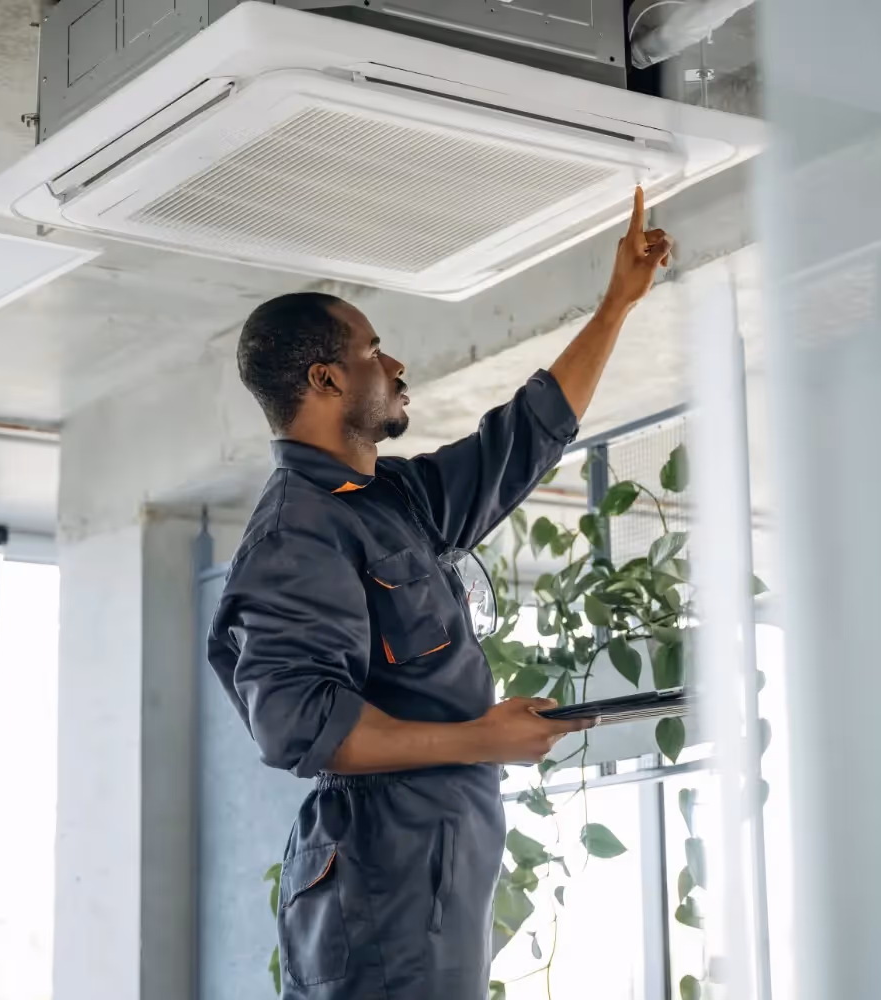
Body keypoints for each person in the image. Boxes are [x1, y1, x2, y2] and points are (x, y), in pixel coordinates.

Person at [207, 189, 674, 999]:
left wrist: (616, 305)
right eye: (372, 352)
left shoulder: (389, 500)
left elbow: (521, 438)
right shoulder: (296, 534)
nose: (394, 368)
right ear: (324, 379)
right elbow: (303, 729)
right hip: (377, 881)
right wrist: (485, 740)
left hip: (432, 869)